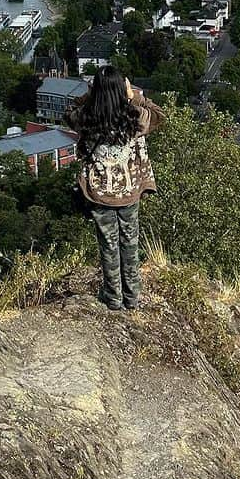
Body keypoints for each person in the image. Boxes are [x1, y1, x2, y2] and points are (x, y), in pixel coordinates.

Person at [66, 66, 165, 312]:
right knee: (129, 242)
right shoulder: (135, 116)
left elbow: (68, 111)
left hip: (99, 192)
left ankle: (113, 297)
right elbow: (159, 115)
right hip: (128, 190)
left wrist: (92, 94)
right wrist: (134, 96)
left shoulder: (86, 118)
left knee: (108, 245)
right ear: (123, 88)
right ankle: (131, 298)